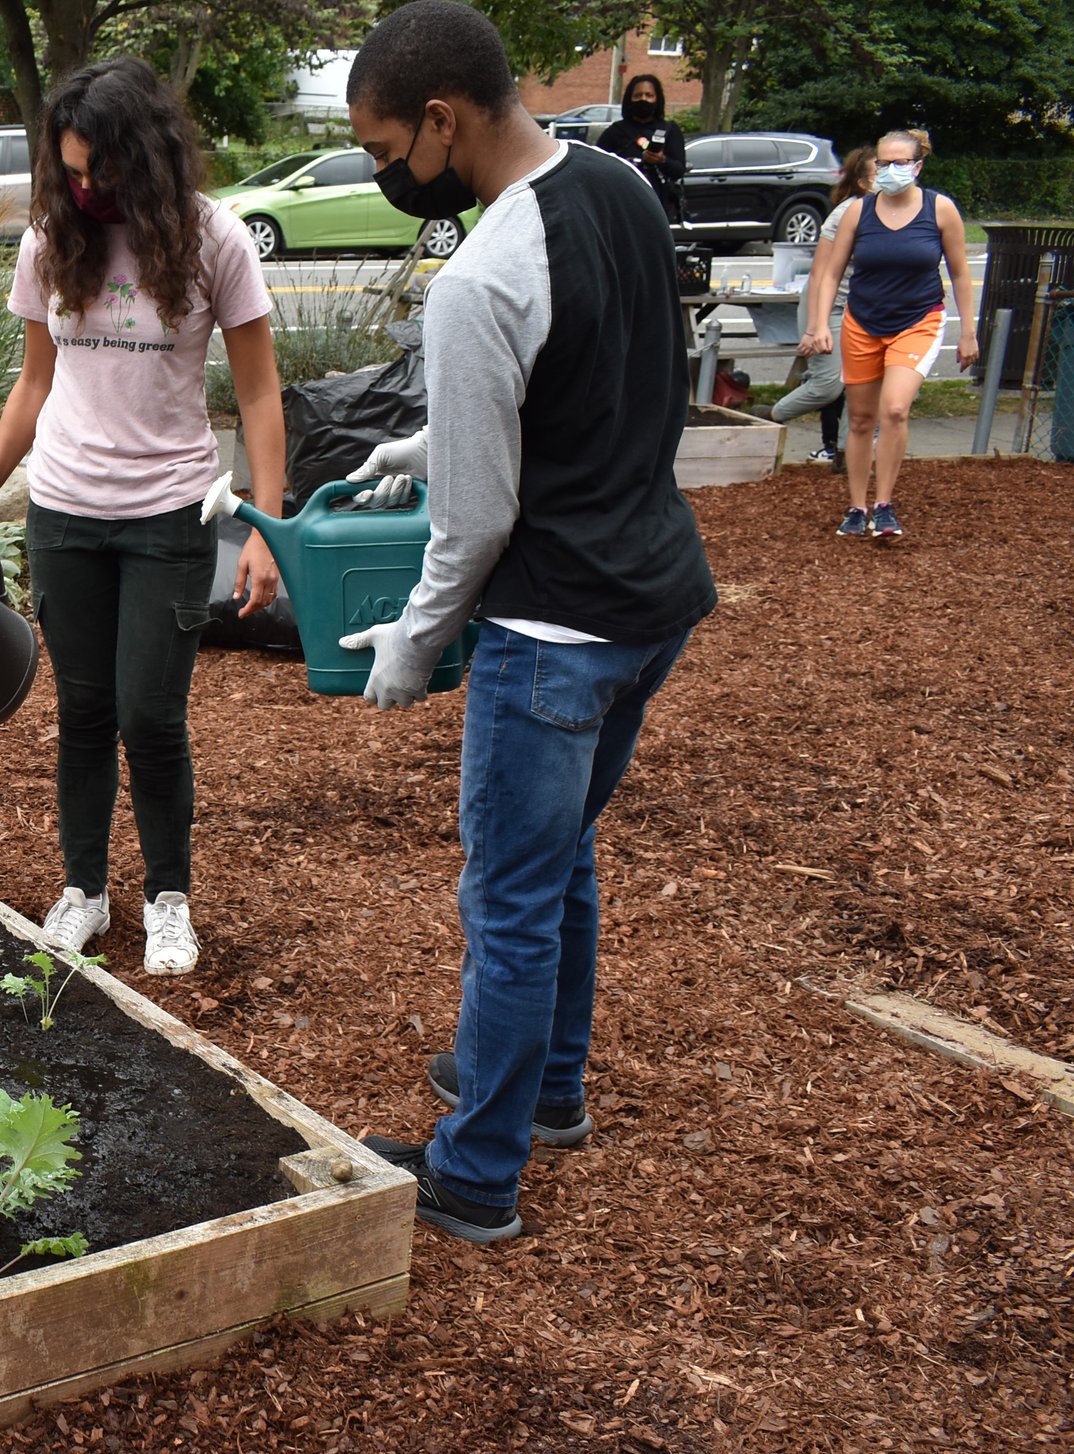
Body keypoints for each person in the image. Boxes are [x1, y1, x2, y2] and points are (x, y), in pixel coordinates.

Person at [332, 0, 718, 1244]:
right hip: (653, 601)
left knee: (507, 901)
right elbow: (599, 383)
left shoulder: (479, 275)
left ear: (441, 121)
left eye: (386, 150)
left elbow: (475, 525)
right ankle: (547, 1088)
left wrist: (413, 640)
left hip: (550, 634)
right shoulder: (615, 186)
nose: (387, 174)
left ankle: (477, 1172)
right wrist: (431, 437)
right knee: (565, 863)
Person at [0, 57, 285, 978]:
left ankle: (168, 899)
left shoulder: (214, 240)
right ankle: (84, 892)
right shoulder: (52, 238)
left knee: (151, 716)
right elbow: (34, 382)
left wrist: (266, 525)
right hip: (64, 513)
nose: (88, 188)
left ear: (150, 155)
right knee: (86, 712)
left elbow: (259, 394)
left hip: (169, 514)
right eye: (73, 172)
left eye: (104, 171)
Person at [801, 129, 980, 539]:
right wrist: (818, 325)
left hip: (918, 320)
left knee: (895, 409)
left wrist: (968, 332)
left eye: (900, 163)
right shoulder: (857, 212)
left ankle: (884, 505)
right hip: (863, 322)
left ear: (918, 166)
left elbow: (960, 273)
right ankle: (856, 507)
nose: (890, 170)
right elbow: (829, 273)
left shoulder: (940, 209)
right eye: (883, 163)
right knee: (861, 419)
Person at [770, 146, 876, 470]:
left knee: (864, 385)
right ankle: (768, 418)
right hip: (828, 305)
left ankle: (846, 455)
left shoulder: (896, 215)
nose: (888, 178)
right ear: (862, 182)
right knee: (828, 386)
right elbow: (819, 275)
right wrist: (814, 326)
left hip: (865, 312)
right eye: (879, 173)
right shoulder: (847, 213)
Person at [596, 73, 686, 225]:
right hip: (621, 208)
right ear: (629, 99)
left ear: (657, 99)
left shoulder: (669, 130)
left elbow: (678, 170)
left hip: (657, 208)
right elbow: (597, 169)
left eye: (649, 95)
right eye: (637, 95)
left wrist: (661, 160)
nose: (643, 99)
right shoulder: (615, 131)